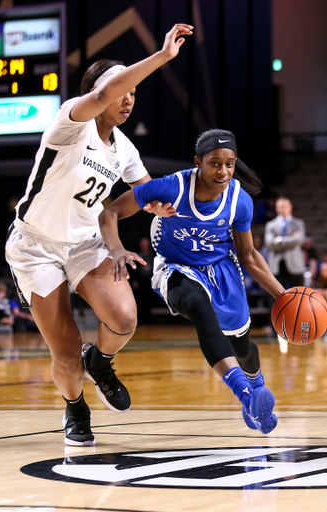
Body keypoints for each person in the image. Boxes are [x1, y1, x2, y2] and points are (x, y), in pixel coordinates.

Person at [5, 23, 193, 447]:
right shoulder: (71, 121)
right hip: (35, 246)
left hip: (84, 244)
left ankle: (102, 361)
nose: (128, 97)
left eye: (133, 92)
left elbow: (147, 190)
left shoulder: (124, 147)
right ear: (97, 93)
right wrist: (162, 57)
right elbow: (104, 95)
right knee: (65, 352)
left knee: (125, 318)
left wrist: (166, 202)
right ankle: (75, 406)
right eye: (119, 89)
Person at [98, 129, 286, 434]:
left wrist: (282, 294)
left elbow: (248, 254)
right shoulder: (172, 187)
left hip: (221, 269)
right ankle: (246, 395)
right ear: (198, 162)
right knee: (198, 307)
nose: (223, 171)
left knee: (243, 346)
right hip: (176, 267)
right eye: (214, 163)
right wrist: (117, 249)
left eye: (229, 163)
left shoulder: (240, 201)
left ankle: (257, 392)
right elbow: (111, 211)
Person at [264, 197, 306, 289]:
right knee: (276, 295)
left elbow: (299, 240)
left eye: (285, 206)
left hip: (294, 264)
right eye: (280, 206)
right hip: (276, 265)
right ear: (276, 208)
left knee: (299, 295)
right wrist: (291, 239)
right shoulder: (271, 225)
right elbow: (269, 243)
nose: (282, 208)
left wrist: (279, 240)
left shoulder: (298, 223)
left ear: (290, 207)